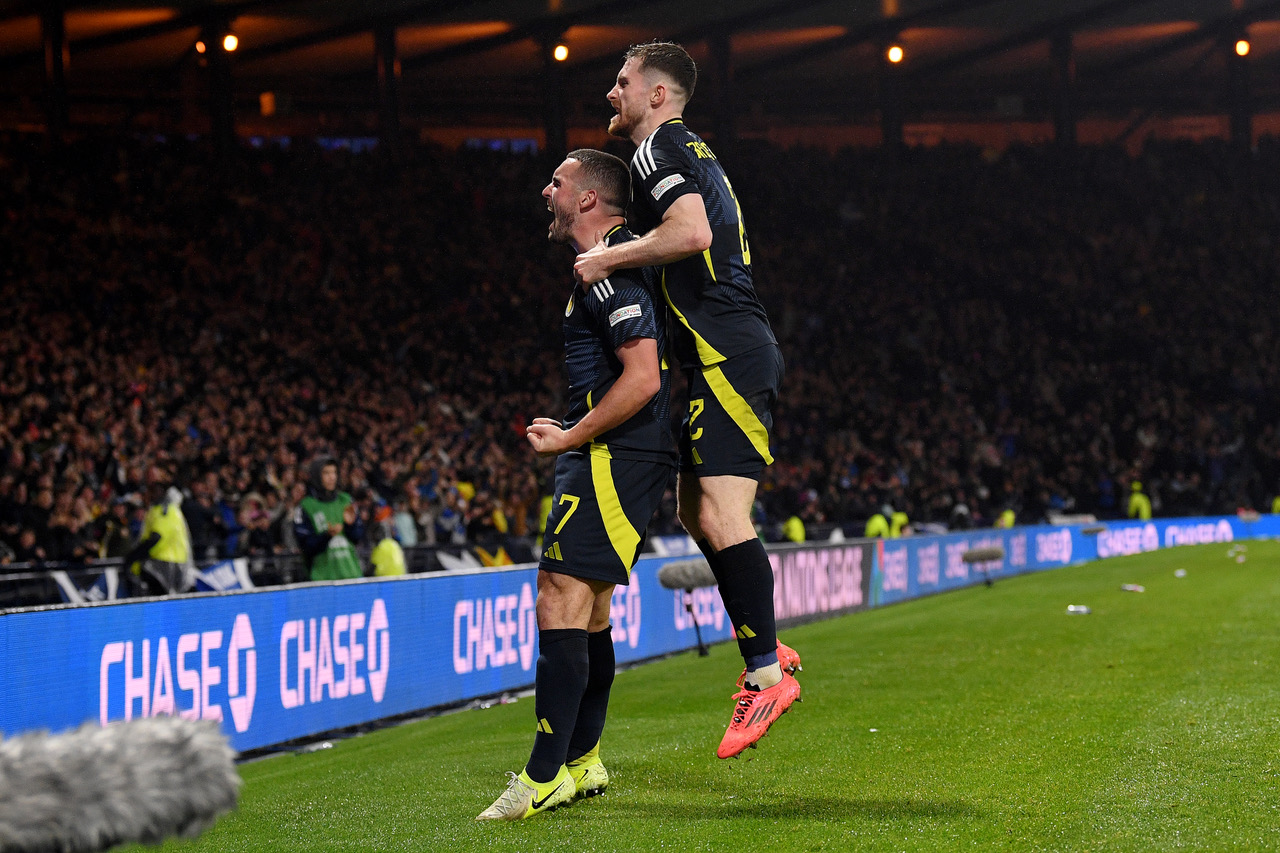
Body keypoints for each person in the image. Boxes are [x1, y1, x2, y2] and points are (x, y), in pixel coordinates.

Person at [574, 40, 800, 759]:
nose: (612, 93)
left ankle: (765, 672)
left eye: (622, 82)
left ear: (659, 94)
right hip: (723, 349)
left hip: (728, 347)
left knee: (722, 512)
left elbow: (693, 232)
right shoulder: (682, 146)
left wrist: (609, 254)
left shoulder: (655, 148)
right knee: (694, 507)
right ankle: (766, 645)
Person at [478, 149, 676, 820]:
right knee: (588, 608)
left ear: (589, 198)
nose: (547, 190)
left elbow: (643, 376)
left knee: (557, 595)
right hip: (619, 451)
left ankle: (539, 778)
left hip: (610, 454)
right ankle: (582, 759)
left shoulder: (608, 270)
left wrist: (570, 434)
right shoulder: (612, 262)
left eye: (558, 182)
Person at [294, 457, 365, 581]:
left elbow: (357, 537)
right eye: (326, 473)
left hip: (352, 574)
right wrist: (326, 535)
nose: (332, 477)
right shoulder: (306, 506)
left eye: (334, 472)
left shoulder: (346, 500)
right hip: (322, 579)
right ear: (316, 476)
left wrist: (350, 525)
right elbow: (305, 545)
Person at [122, 481, 194, 595]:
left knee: (161, 599)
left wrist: (133, 556)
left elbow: (156, 537)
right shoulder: (163, 509)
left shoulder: (164, 510)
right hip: (168, 561)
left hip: (166, 562)